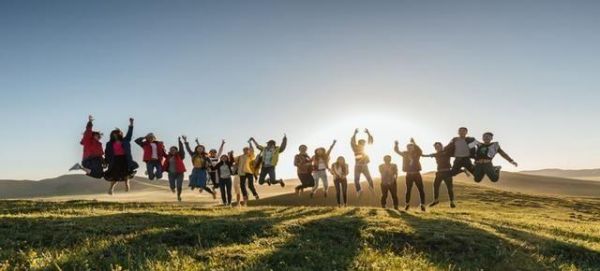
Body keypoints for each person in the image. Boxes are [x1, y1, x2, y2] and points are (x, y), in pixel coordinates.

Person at [104, 118, 139, 195]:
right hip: (114, 160)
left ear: (120, 134)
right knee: (114, 175)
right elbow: (107, 153)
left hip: (125, 159)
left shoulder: (125, 140)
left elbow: (129, 134)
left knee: (126, 173)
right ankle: (111, 189)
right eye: (114, 134)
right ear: (112, 135)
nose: (115, 135)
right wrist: (106, 161)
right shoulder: (109, 144)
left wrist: (131, 124)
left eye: (117, 133)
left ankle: (127, 184)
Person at [394, 138, 426, 212]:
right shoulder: (405, 153)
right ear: (407, 148)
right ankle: (407, 205)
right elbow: (397, 151)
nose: (409, 148)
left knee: (421, 189)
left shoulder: (417, 153)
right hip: (409, 174)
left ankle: (423, 205)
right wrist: (396, 145)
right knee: (408, 190)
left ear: (413, 147)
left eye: (411, 147)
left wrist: (414, 142)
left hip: (417, 174)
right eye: (408, 147)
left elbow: (420, 151)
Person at [422, 142, 457, 208]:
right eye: (436, 147)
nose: (437, 148)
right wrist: (419, 154)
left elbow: (455, 152)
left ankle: (452, 202)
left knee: (449, 188)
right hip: (439, 173)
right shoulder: (435, 154)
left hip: (447, 172)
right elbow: (425, 156)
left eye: (438, 146)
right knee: (435, 186)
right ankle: (436, 200)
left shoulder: (447, 152)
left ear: (441, 146)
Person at [351, 128, 374, 196]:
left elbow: (370, 141)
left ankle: (371, 187)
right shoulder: (355, 148)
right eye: (362, 143)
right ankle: (359, 190)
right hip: (358, 166)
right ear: (359, 143)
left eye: (363, 143)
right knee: (357, 179)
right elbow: (352, 142)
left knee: (368, 178)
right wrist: (354, 134)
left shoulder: (365, 148)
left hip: (364, 165)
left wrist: (368, 133)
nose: (363, 144)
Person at [162, 137, 186, 202]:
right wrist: (161, 146)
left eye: (173, 150)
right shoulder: (168, 156)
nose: (172, 151)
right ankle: (172, 188)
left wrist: (179, 141)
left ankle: (179, 196)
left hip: (179, 173)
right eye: (171, 150)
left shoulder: (180, 156)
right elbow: (162, 152)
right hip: (171, 173)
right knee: (172, 185)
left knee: (179, 186)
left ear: (176, 151)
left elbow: (181, 149)